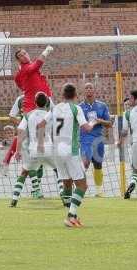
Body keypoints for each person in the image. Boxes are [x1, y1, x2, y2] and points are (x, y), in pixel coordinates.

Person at [39, 83, 94, 227]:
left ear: (62, 95)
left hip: (56, 151)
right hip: (71, 150)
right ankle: (71, 215)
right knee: (82, 185)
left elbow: (41, 124)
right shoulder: (76, 108)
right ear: (76, 95)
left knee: (67, 183)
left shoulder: (55, 108)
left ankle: (72, 216)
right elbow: (86, 128)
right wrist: (93, 122)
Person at [10, 92, 63, 207]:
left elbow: (20, 132)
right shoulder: (50, 115)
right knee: (58, 171)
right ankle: (64, 196)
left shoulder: (28, 115)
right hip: (48, 148)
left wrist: (18, 151)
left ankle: (14, 200)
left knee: (24, 173)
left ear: (34, 102)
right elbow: (58, 130)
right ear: (47, 103)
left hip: (34, 150)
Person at [79, 82, 111, 197]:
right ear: (83, 91)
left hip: (98, 139)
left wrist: (100, 121)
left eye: (90, 87)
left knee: (98, 164)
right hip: (85, 139)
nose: (88, 89)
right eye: (86, 88)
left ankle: (99, 191)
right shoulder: (79, 107)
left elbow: (109, 124)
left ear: (94, 90)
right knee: (85, 163)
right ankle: (79, 188)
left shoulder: (102, 106)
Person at [14, 46, 54, 114]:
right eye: (21, 56)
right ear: (18, 60)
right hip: (32, 104)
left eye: (25, 53)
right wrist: (46, 52)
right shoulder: (25, 68)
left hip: (45, 98)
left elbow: (19, 82)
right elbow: (37, 65)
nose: (24, 56)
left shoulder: (26, 68)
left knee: (54, 117)